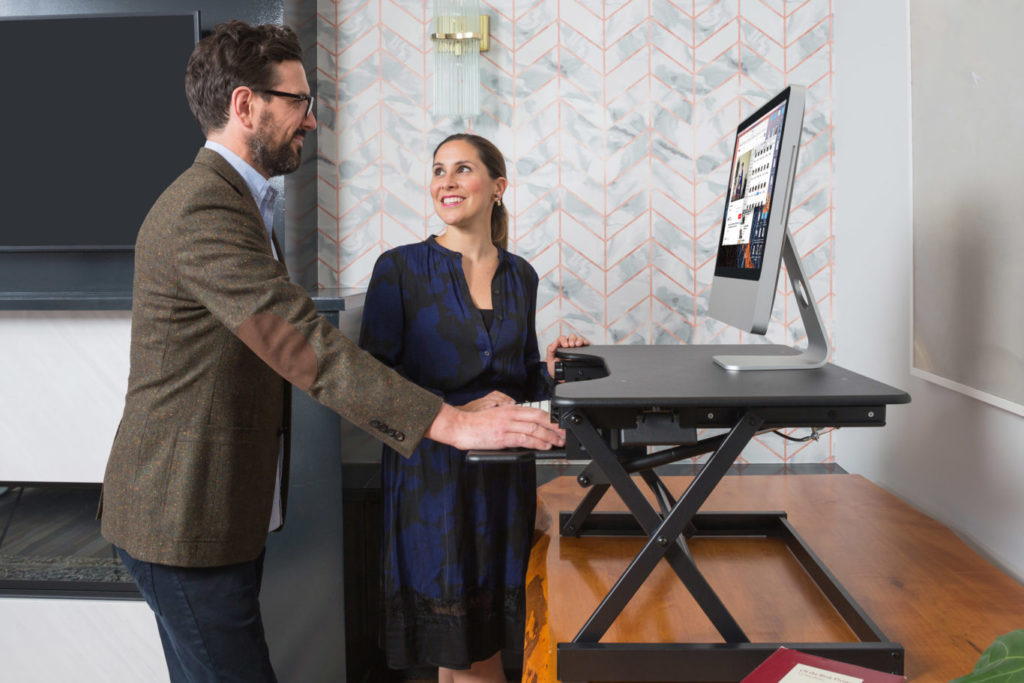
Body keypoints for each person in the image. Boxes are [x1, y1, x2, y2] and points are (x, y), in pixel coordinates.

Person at [99, 22, 563, 683]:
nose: (310, 121)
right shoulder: (203, 208)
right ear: (244, 104)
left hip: (218, 515)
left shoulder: (240, 200)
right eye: (298, 101)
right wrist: (454, 420)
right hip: (181, 516)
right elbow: (301, 340)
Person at [359, 133, 587, 682]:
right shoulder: (399, 270)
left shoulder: (521, 276)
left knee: (482, 649)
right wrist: (461, 407)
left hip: (503, 486)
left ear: (497, 188)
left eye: (463, 169)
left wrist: (550, 370)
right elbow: (370, 386)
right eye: (439, 170)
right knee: (462, 651)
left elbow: (516, 375)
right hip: (432, 485)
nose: (447, 181)